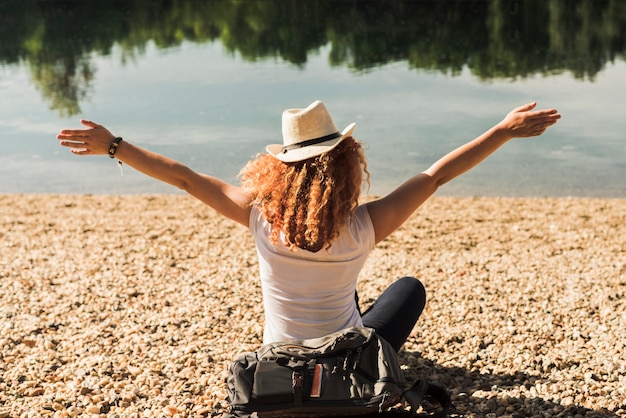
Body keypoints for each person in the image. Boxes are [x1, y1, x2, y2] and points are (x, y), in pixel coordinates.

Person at [56, 100, 560, 352]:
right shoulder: (365, 226)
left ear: (281, 168)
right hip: (347, 365)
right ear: (345, 164)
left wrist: (115, 146)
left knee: (349, 295)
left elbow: (185, 178)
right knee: (406, 288)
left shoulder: (258, 217)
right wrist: (501, 131)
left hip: (279, 364)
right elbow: (436, 175)